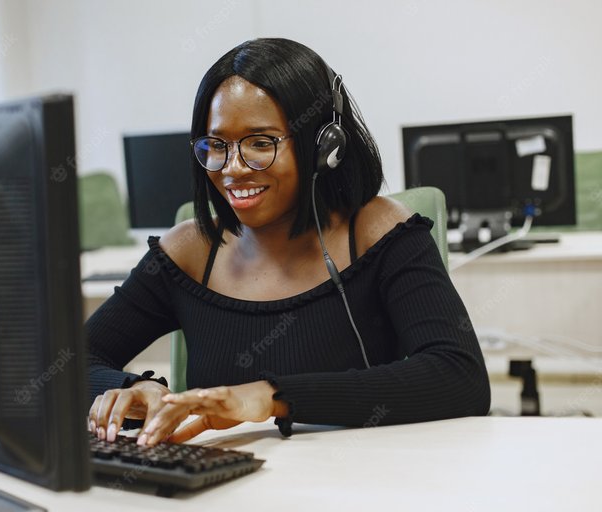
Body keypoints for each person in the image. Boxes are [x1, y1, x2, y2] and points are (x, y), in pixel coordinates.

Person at [86, 38, 490, 447]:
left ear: (323, 147)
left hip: (361, 484)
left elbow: (459, 375)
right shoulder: (189, 251)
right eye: (217, 145)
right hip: (222, 491)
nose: (234, 168)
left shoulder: (377, 232)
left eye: (261, 143)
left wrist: (269, 397)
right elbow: (60, 364)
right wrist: (137, 389)